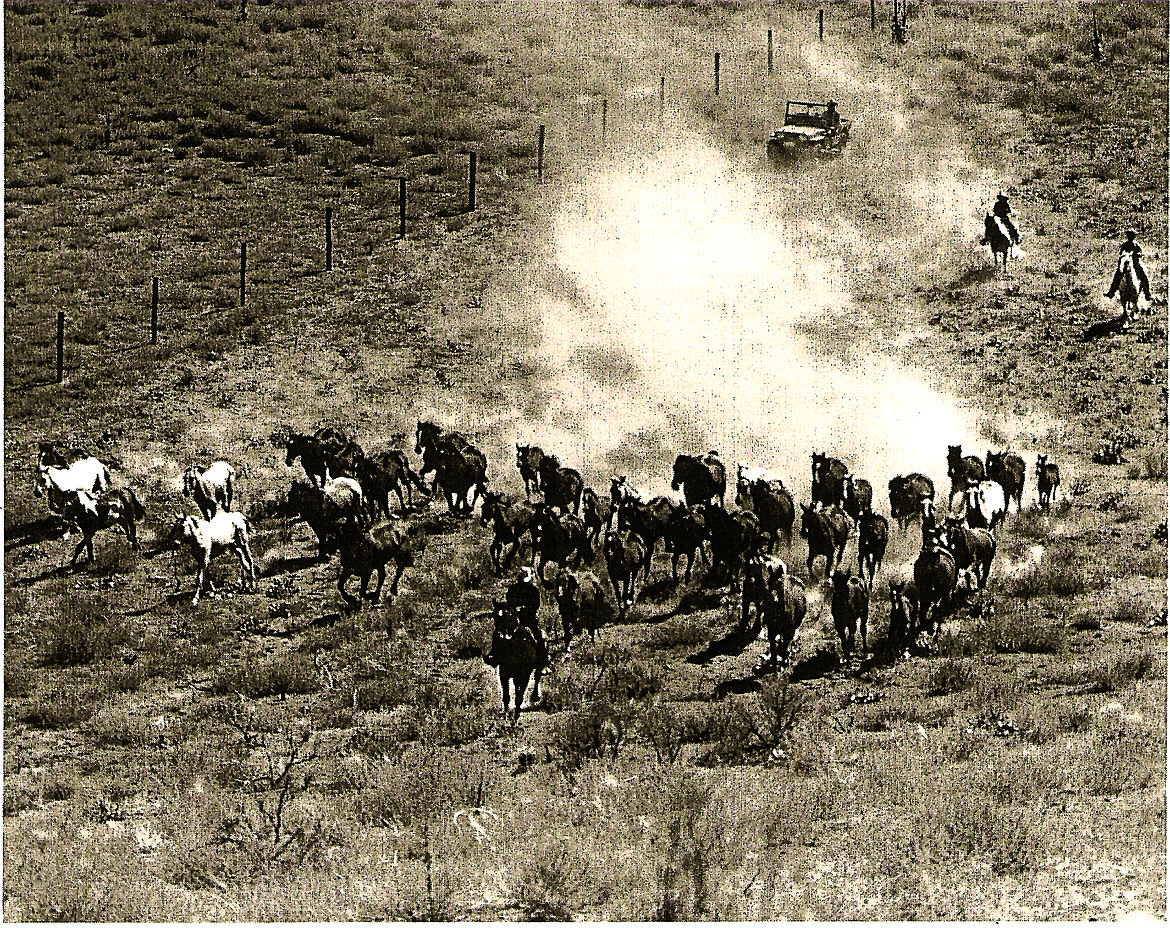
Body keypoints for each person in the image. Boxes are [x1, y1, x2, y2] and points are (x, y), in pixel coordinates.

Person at [1105, 229, 1152, 301]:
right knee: (1118, 274)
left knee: (1143, 274)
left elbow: (1140, 253)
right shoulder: (1125, 245)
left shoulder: (1136, 245)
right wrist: (1124, 256)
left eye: (1132, 236)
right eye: (1130, 236)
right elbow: (1121, 254)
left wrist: (1137, 254)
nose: (1131, 237)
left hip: (1136, 262)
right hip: (1127, 262)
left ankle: (1147, 293)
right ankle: (1112, 292)